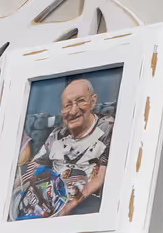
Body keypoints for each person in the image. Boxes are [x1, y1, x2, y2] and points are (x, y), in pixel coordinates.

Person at [15, 77, 111, 220]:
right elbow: (34, 167)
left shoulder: (107, 128)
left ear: (93, 101)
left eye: (80, 101)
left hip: (84, 207)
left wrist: (66, 209)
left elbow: (100, 178)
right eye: (67, 105)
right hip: (50, 204)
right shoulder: (56, 135)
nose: (73, 110)